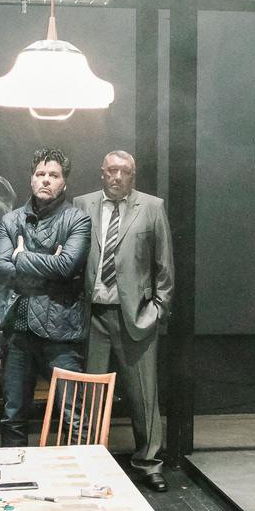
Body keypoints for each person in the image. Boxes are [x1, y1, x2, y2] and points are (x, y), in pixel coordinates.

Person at [75, 150, 174, 492]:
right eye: (112, 170)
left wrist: (158, 310)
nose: (118, 177)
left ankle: (149, 463)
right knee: (91, 394)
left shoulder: (152, 207)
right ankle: (90, 462)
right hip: (94, 315)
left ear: (133, 175)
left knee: (143, 395)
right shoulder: (82, 205)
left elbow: (165, 266)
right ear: (101, 173)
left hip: (136, 314)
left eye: (125, 172)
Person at [0, 147, 91, 446]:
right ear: (31, 178)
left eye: (54, 175)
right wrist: (49, 263)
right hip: (17, 333)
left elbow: (66, 266)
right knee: (13, 416)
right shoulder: (11, 220)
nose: (46, 180)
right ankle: (13, 473)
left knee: (73, 417)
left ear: (64, 182)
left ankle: (80, 473)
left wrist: (21, 256)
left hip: (61, 332)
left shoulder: (77, 219)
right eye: (40, 173)